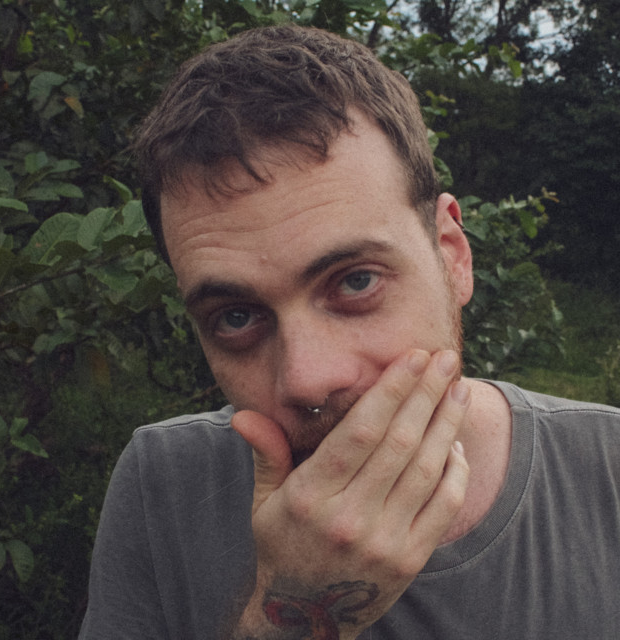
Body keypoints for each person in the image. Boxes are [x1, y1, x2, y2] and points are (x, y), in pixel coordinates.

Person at [79, 24, 620, 639]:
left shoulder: (608, 469)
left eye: (356, 282)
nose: (307, 380)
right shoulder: (164, 486)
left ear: (452, 256)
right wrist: (287, 615)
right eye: (236, 316)